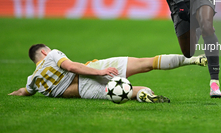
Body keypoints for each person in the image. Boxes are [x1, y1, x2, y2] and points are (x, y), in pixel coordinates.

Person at [9, 44, 207, 103]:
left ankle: (146, 94)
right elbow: (71, 67)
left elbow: (23, 91)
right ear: (44, 51)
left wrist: (13, 94)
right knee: (146, 63)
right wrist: (100, 71)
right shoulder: (52, 55)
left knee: (126, 92)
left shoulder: (33, 80)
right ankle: (192, 59)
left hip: (82, 91)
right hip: (91, 69)